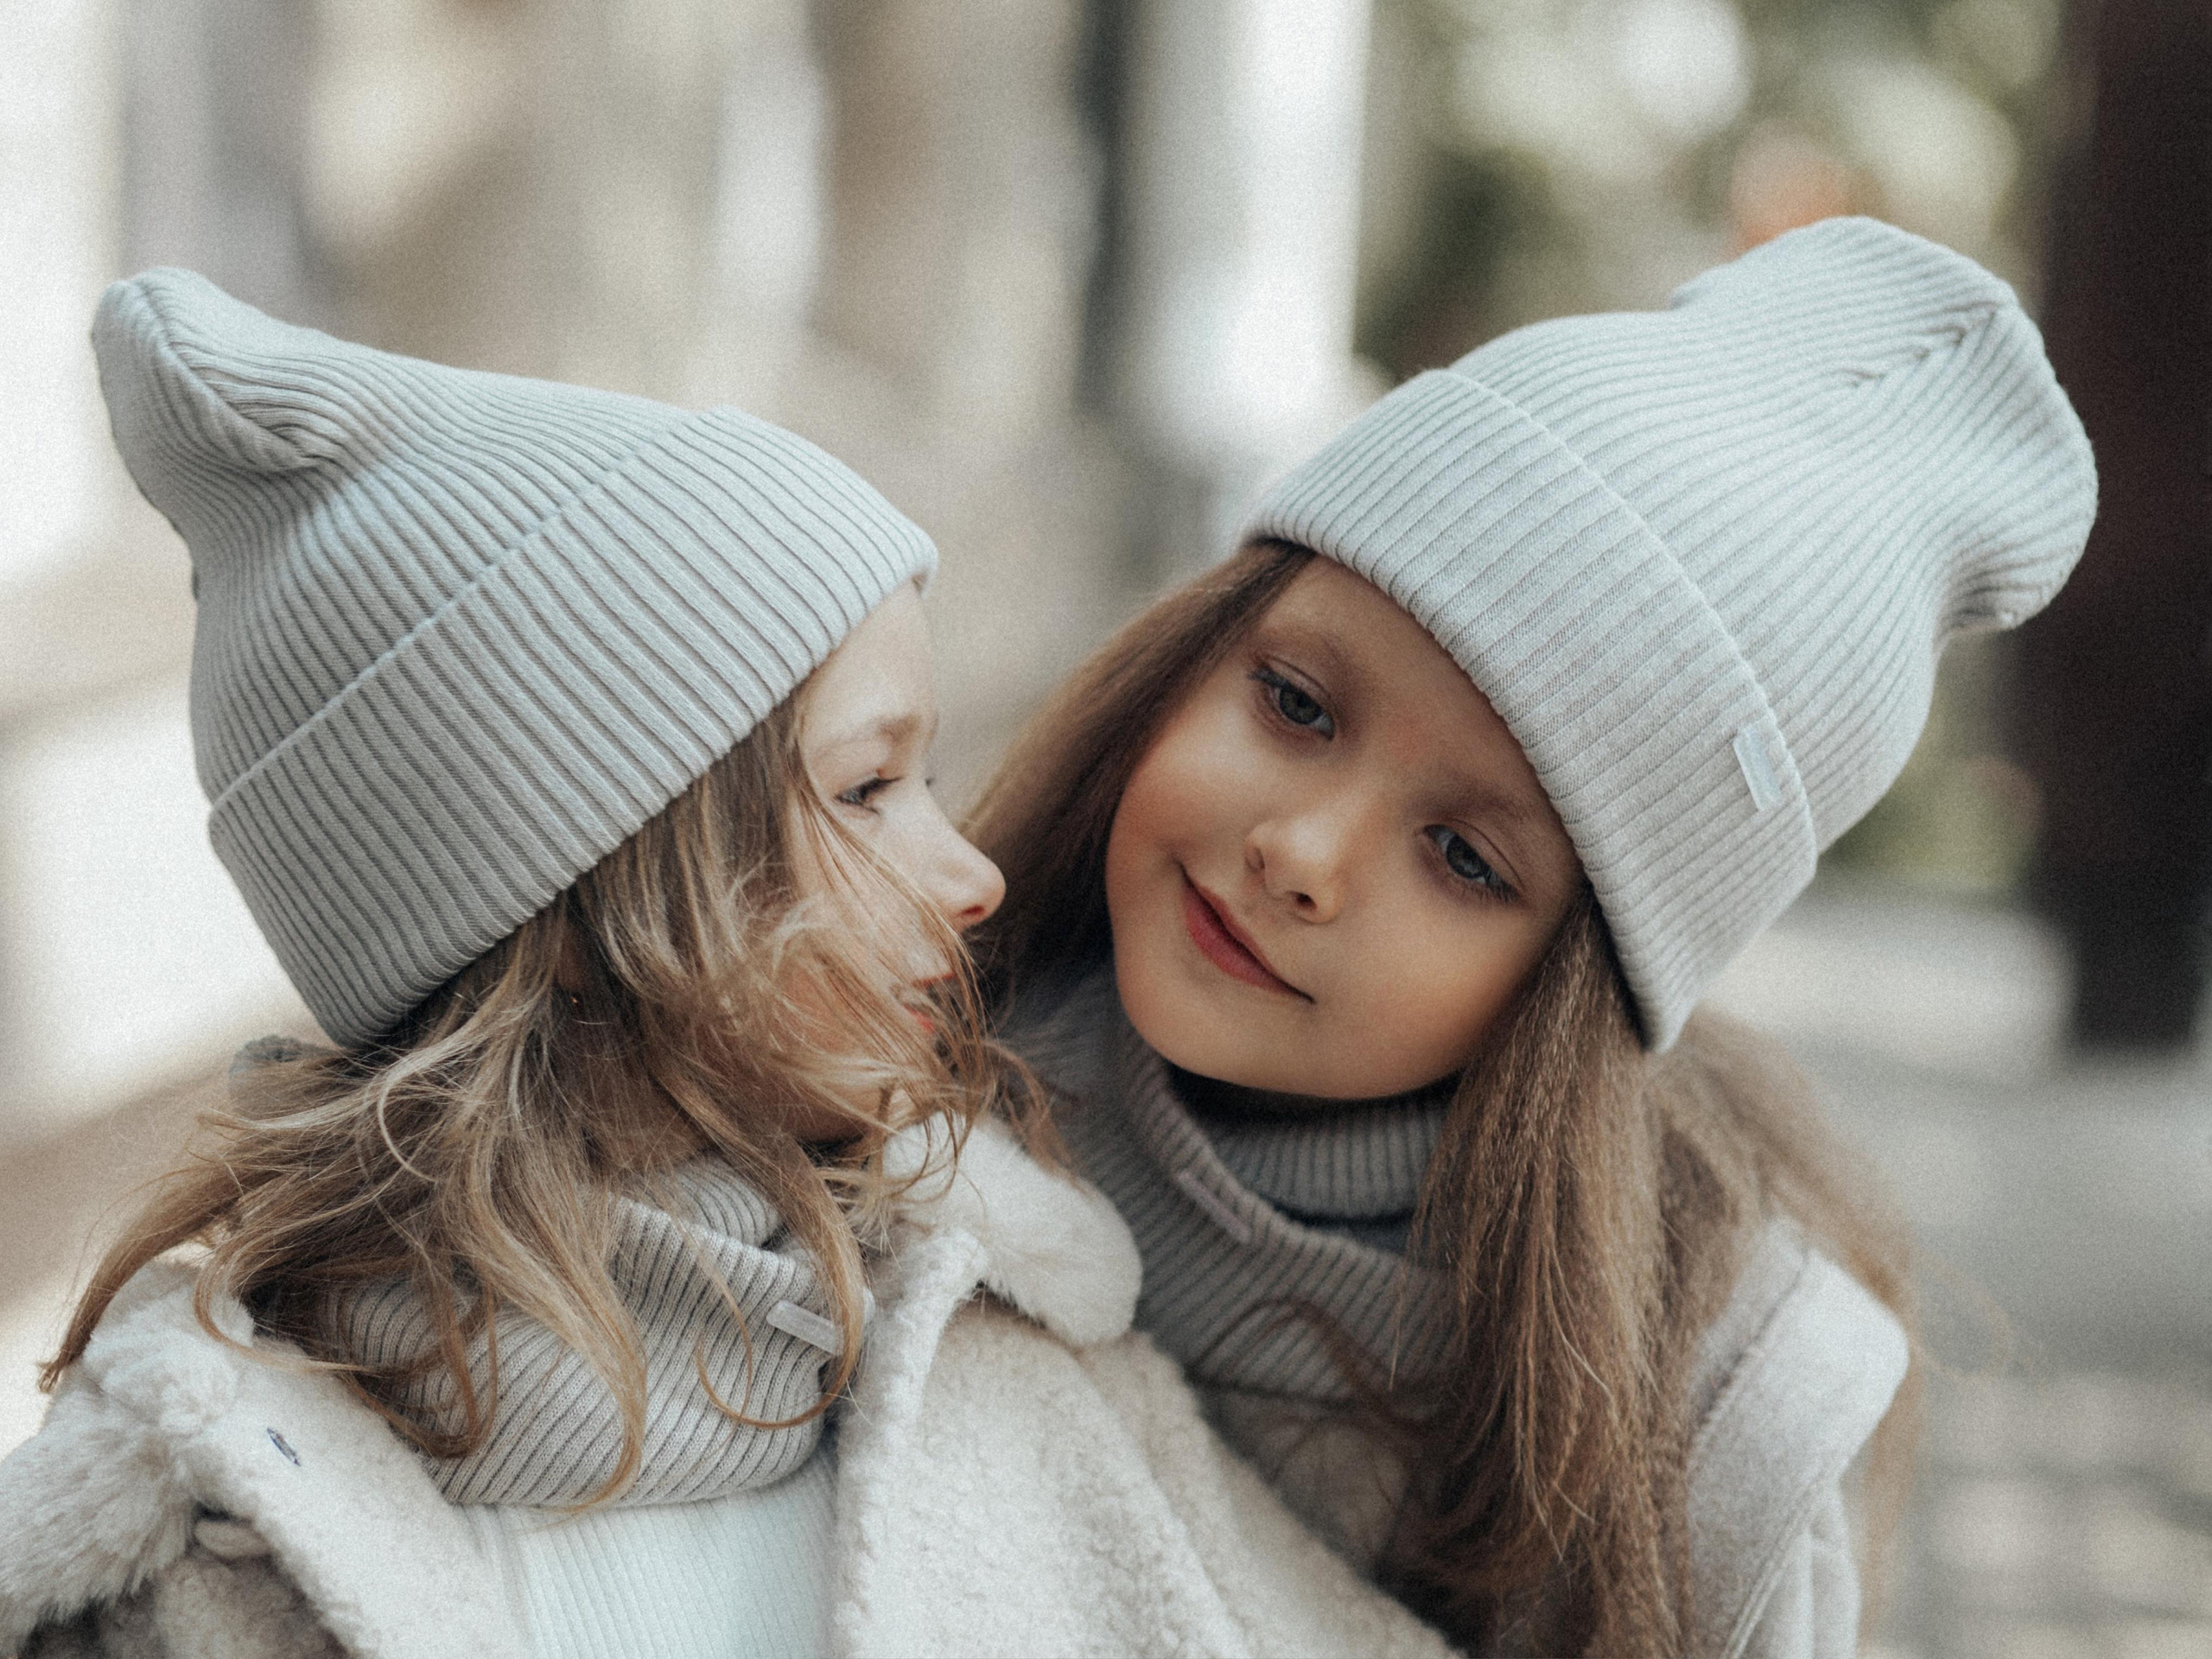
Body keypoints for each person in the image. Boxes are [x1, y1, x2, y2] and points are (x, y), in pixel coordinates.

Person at [0, 273, 1455, 1659]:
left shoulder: (1009, 1352)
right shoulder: (210, 1542)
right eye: (872, 788)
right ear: (576, 920)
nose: (976, 876)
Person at [971, 217, 2097, 1658]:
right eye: (1297, 706)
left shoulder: (1680, 1421)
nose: (1302, 856)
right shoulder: (917, 1073)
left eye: (1463, 857)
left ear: (1576, 988)